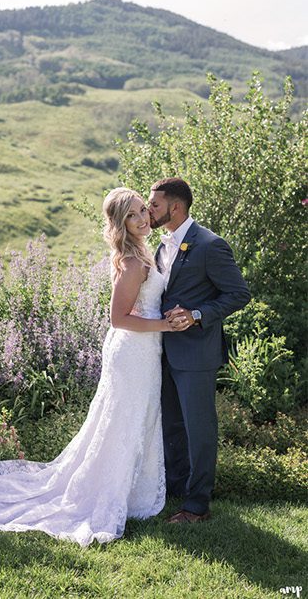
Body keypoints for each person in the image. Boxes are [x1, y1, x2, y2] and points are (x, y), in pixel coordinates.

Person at [0, 187, 187, 546]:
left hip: (146, 349)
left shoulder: (142, 253)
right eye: (132, 215)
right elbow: (118, 318)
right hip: (133, 349)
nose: (141, 219)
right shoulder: (132, 261)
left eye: (141, 211)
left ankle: (134, 492)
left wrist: (165, 319)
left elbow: (143, 306)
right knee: (123, 420)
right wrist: (164, 325)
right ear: (120, 224)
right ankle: (106, 493)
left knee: (138, 418)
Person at [146, 177, 250, 523]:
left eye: (155, 204)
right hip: (163, 351)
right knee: (172, 425)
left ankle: (197, 506)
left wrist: (197, 315)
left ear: (176, 207)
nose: (150, 210)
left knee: (199, 427)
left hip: (196, 355)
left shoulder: (209, 244)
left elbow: (238, 294)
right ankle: (177, 491)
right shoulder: (162, 246)